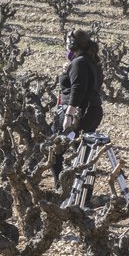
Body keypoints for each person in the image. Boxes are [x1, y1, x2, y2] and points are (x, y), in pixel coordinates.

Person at [51, 28, 104, 188]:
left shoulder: (79, 62)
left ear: (73, 44)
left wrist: (69, 115)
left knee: (56, 147)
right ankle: (83, 191)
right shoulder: (92, 61)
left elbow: (78, 89)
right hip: (92, 111)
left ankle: (60, 187)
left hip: (78, 113)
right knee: (83, 152)